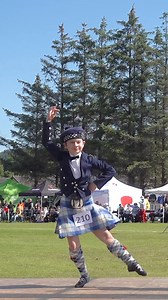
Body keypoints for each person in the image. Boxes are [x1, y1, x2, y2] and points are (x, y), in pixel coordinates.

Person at [42, 105, 147, 288]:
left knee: (106, 236)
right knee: (73, 246)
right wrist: (48, 122)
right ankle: (84, 275)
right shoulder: (61, 157)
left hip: (86, 203)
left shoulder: (89, 159)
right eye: (72, 142)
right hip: (68, 204)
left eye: (79, 142)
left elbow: (110, 170)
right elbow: (46, 142)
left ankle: (131, 262)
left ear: (83, 143)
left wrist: (95, 185)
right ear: (66, 145)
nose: (76, 145)